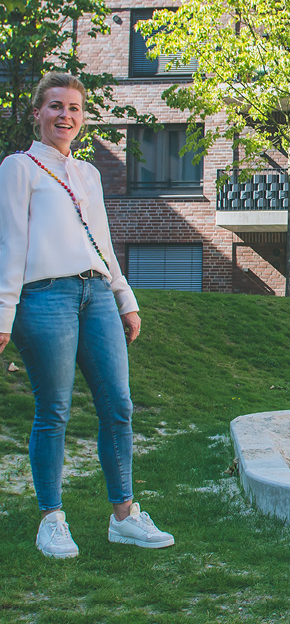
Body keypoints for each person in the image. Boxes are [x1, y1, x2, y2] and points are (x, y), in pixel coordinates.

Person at [0, 72, 174, 559]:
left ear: (82, 117)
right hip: (44, 297)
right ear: (37, 113)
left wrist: (126, 297)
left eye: (74, 108)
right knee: (53, 410)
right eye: (55, 106)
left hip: (95, 294)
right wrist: (3, 311)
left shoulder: (90, 175)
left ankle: (124, 517)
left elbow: (101, 243)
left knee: (118, 405)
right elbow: (11, 243)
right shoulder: (19, 167)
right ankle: (51, 521)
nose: (65, 116)